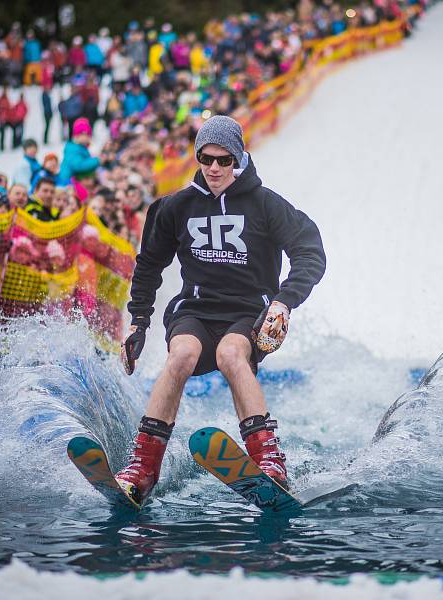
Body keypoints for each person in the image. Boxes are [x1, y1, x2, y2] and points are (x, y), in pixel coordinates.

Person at [117, 116, 326, 504]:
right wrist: (138, 322)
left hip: (249, 312)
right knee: (181, 355)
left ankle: (268, 460)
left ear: (239, 158)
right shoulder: (176, 206)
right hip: (194, 310)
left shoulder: (266, 204)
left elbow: (310, 251)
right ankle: (142, 467)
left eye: (224, 160)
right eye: (207, 158)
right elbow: (148, 265)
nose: (214, 168)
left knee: (231, 354)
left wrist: (284, 301)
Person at [58, 118, 100, 185]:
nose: (89, 138)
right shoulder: (73, 149)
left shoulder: (80, 147)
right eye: (87, 135)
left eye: (89, 135)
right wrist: (97, 160)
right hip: (68, 183)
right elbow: (78, 166)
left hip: (75, 181)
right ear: (77, 136)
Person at [0, 86, 12, 152]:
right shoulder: (1, 100)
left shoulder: (6, 99)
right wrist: (2, 119)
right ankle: (1, 147)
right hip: (2, 120)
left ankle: (12, 144)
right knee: (2, 133)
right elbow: (1, 110)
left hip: (7, 119)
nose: (6, 92)